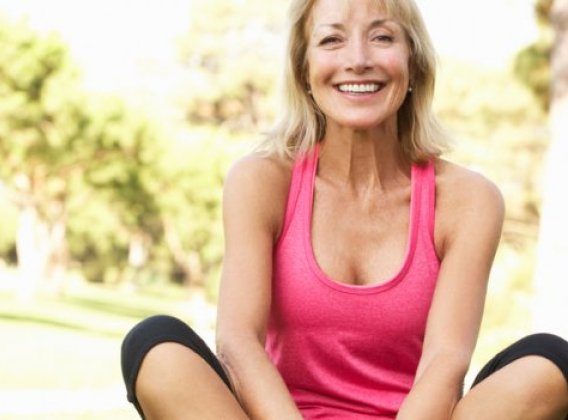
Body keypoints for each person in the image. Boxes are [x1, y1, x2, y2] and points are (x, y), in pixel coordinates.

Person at [120, 0, 568, 418]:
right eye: (332, 39)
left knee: (551, 363)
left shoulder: (468, 200)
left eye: (382, 37)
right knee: (155, 347)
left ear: (414, 63)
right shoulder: (261, 181)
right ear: (304, 69)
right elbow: (238, 343)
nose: (357, 59)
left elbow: (445, 362)